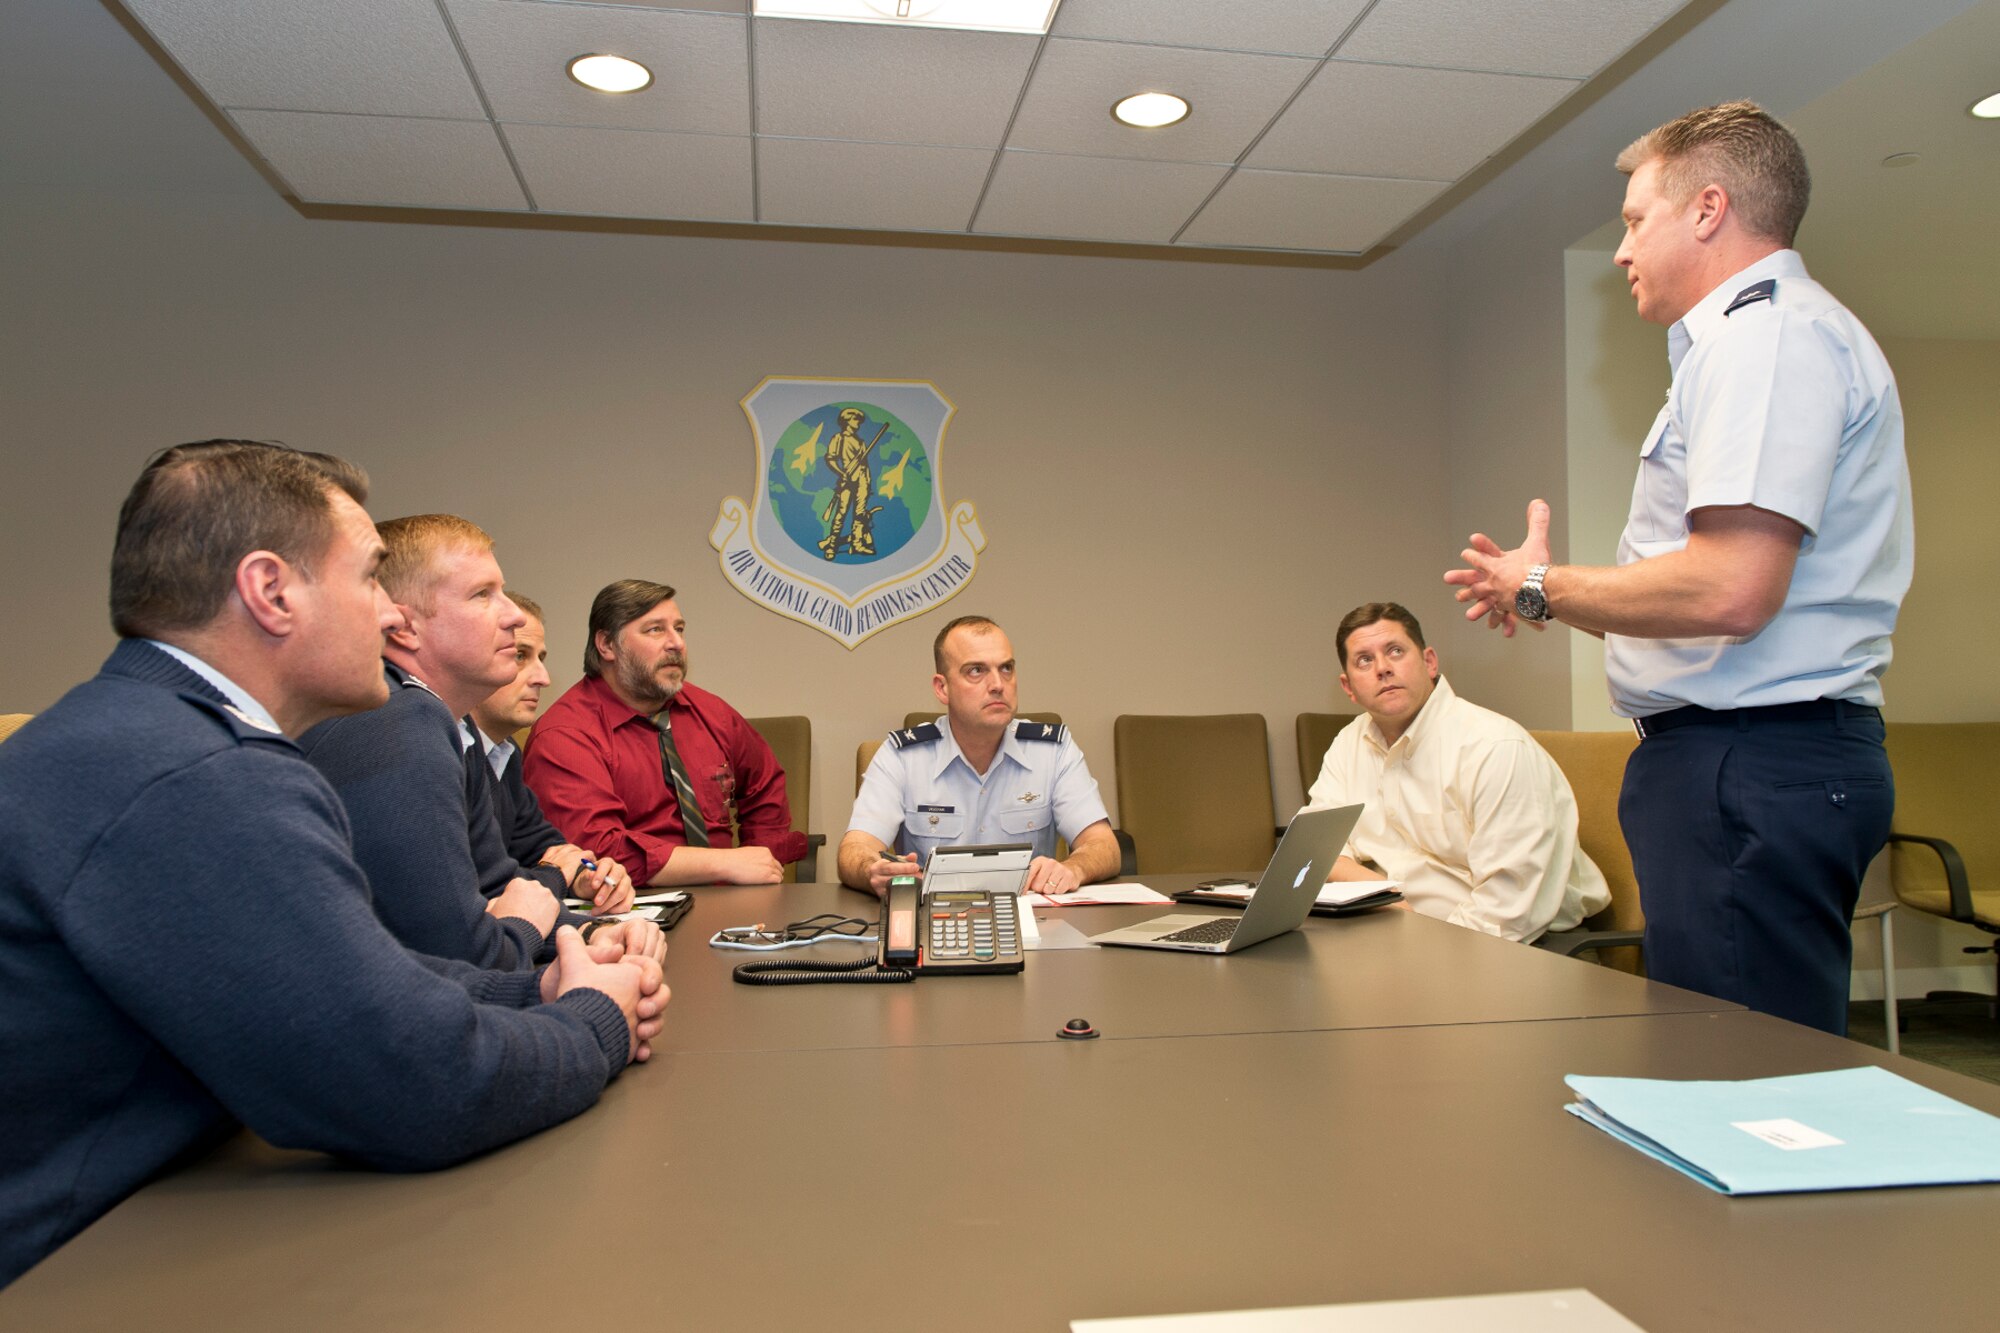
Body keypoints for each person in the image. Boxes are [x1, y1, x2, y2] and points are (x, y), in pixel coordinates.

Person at [0, 441, 664, 1288]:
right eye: (370, 580)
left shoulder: (152, 735)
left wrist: (530, 989)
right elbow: (414, 1084)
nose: (391, 617)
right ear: (271, 591)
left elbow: (352, 979)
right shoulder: (195, 773)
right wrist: (591, 1021)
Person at [1444, 101, 1910, 1033]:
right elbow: (1703, 590)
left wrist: (1541, 585)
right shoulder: (1748, 343)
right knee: (1734, 1070)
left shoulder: (1764, 341)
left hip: (1751, 759)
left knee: (1750, 1086)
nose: (1621, 252)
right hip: (1743, 757)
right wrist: (1547, 594)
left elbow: (1731, 588)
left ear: (1707, 210)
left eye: (1632, 221)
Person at [301, 517, 662, 969]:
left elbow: (496, 889)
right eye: (482, 595)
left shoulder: (448, 726)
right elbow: (466, 953)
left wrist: (591, 932)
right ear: (404, 627)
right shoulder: (399, 721)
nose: (512, 615)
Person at [1298, 603, 1609, 943]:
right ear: (1348, 687)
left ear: (1429, 662)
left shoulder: (1494, 747)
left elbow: (1505, 915)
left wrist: (1411, 931)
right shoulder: (1349, 743)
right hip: (1397, 935)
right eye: (1364, 660)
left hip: (1517, 949)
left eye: (1395, 651)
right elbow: (1315, 851)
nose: (1383, 669)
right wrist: (1388, 900)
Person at [525, 580, 810, 887]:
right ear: (607, 645)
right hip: (633, 911)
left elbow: (764, 785)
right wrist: (725, 864)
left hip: (732, 902)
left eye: (680, 628)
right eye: (655, 630)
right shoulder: (565, 735)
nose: (676, 643)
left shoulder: (711, 712)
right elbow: (596, 853)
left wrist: (759, 862)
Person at [840, 615, 1120, 898]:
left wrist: (1073, 869)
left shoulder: (1053, 751)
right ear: (942, 688)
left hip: (1031, 927)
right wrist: (872, 871)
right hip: (933, 924)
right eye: (976, 671)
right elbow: (854, 849)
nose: (998, 684)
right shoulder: (902, 756)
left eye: (1006, 668)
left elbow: (1103, 845)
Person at [468, 591, 633, 913]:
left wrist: (589, 876)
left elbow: (544, 846)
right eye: (519, 656)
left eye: (540, 658)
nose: (542, 678)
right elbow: (487, 890)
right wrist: (556, 875)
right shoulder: (439, 752)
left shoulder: (504, 754)